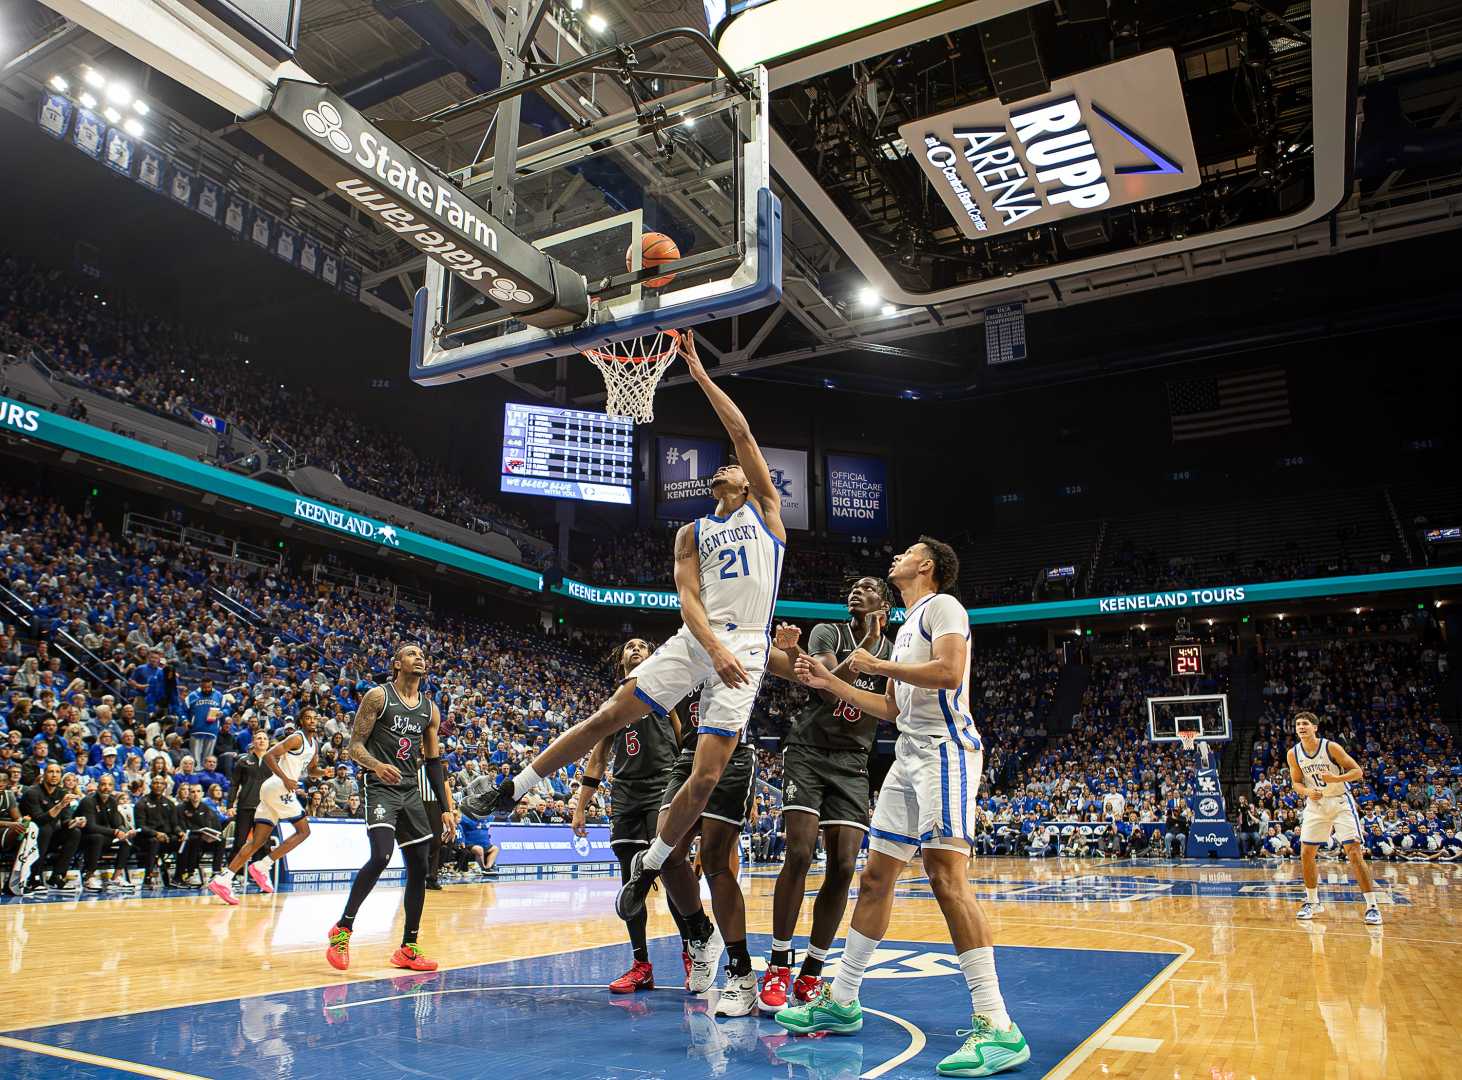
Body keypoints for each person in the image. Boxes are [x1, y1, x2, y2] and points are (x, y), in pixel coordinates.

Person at [463, 331, 785, 1016]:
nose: (725, 468)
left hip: (749, 647)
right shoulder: (689, 533)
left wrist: (696, 370)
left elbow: (741, 427)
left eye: (732, 466)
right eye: (723, 468)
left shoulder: (766, 511)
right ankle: (512, 787)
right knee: (610, 713)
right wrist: (709, 648)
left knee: (703, 774)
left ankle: (649, 865)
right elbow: (688, 601)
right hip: (701, 642)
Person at [777, 537, 1030, 1076]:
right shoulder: (908, 624)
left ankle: (998, 1025)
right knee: (875, 877)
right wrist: (829, 680)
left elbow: (948, 673)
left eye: (907, 551)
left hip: (946, 751)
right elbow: (889, 709)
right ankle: (843, 999)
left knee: (945, 876)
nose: (895, 557)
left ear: (927, 566)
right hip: (908, 753)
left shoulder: (943, 607)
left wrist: (878, 663)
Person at [759, 577, 893, 1013]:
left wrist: (877, 645)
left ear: (884, 603)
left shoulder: (894, 649)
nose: (856, 589)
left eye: (868, 587)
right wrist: (866, 643)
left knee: (842, 865)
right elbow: (823, 683)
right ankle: (779, 963)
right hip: (809, 751)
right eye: (852, 586)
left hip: (853, 760)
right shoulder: (827, 632)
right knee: (798, 853)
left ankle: (813, 972)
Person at [570, 638, 719, 997]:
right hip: (625, 795)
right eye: (629, 646)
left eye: (642, 646)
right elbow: (598, 758)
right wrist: (580, 805)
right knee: (629, 883)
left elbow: (687, 745)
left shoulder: (667, 695)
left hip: (663, 788)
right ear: (620, 657)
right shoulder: (615, 704)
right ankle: (641, 965)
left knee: (668, 871)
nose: (635, 649)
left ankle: (692, 951)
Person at [326, 645, 456, 972]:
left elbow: (433, 762)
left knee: (419, 866)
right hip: (381, 787)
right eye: (411, 653)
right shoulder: (378, 697)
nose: (419, 657)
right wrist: (376, 765)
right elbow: (354, 746)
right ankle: (342, 930)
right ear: (397, 663)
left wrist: (444, 808)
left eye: (422, 654)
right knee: (382, 855)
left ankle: (408, 948)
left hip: (411, 791)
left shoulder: (430, 710)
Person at [209, 708, 325, 903]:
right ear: (301, 721)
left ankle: (224, 879)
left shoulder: (314, 744)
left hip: (272, 790)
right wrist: (286, 779)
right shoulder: (297, 738)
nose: (312, 721)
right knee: (304, 832)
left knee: (257, 841)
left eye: (315, 718)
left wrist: (324, 773)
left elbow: (312, 771)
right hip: (279, 787)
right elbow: (270, 755)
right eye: (307, 718)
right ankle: (264, 865)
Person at [1289, 711, 1383, 924]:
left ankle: (1372, 906)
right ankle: (1312, 902)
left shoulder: (1331, 747)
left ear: (1315, 727)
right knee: (1306, 853)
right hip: (1315, 804)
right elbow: (1296, 782)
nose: (1301, 727)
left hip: (1340, 801)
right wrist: (1305, 792)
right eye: (1298, 725)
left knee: (1354, 852)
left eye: (1305, 724)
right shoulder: (1293, 753)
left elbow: (1357, 772)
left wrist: (1336, 778)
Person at [19, 761, 85, 894]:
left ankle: (57, 876)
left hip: (50, 837)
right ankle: (34, 878)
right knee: (45, 829)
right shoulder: (32, 793)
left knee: (75, 832)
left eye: (57, 772)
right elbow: (39, 820)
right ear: (44, 775)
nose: (54, 775)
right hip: (28, 838)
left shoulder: (62, 793)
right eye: (51, 772)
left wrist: (74, 822)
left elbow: (65, 819)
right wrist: (59, 806)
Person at [78, 773, 138, 891]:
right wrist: (115, 832)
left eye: (110, 785)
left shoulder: (112, 801)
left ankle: (116, 878)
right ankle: (88, 877)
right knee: (97, 837)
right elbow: (90, 826)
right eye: (103, 784)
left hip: (105, 836)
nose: (107, 787)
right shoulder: (88, 801)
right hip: (84, 837)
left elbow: (116, 823)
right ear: (98, 786)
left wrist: (125, 832)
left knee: (125, 839)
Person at [228, 730, 271, 875]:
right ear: (253, 742)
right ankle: (233, 875)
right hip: (245, 806)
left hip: (265, 809)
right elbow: (234, 784)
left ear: (268, 743)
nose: (262, 740)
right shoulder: (243, 761)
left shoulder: (273, 762)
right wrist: (230, 805)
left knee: (263, 844)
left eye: (265, 738)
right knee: (239, 842)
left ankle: (259, 875)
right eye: (259, 738)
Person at [134, 772, 182, 888]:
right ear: (151, 785)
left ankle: (179, 876)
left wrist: (180, 832)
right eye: (156, 783)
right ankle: (148, 877)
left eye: (161, 783)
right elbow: (140, 826)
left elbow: (175, 825)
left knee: (184, 841)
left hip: (166, 837)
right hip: (146, 838)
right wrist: (156, 833)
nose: (158, 785)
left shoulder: (170, 803)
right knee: (154, 841)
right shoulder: (142, 803)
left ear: (165, 786)